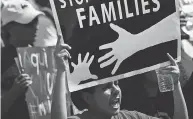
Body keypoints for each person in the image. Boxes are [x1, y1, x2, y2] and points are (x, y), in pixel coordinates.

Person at [51, 36, 189, 119]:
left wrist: (175, 85)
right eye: (106, 87)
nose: (116, 90)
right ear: (87, 98)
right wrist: (61, 71)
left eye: (116, 84)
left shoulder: (129, 117)